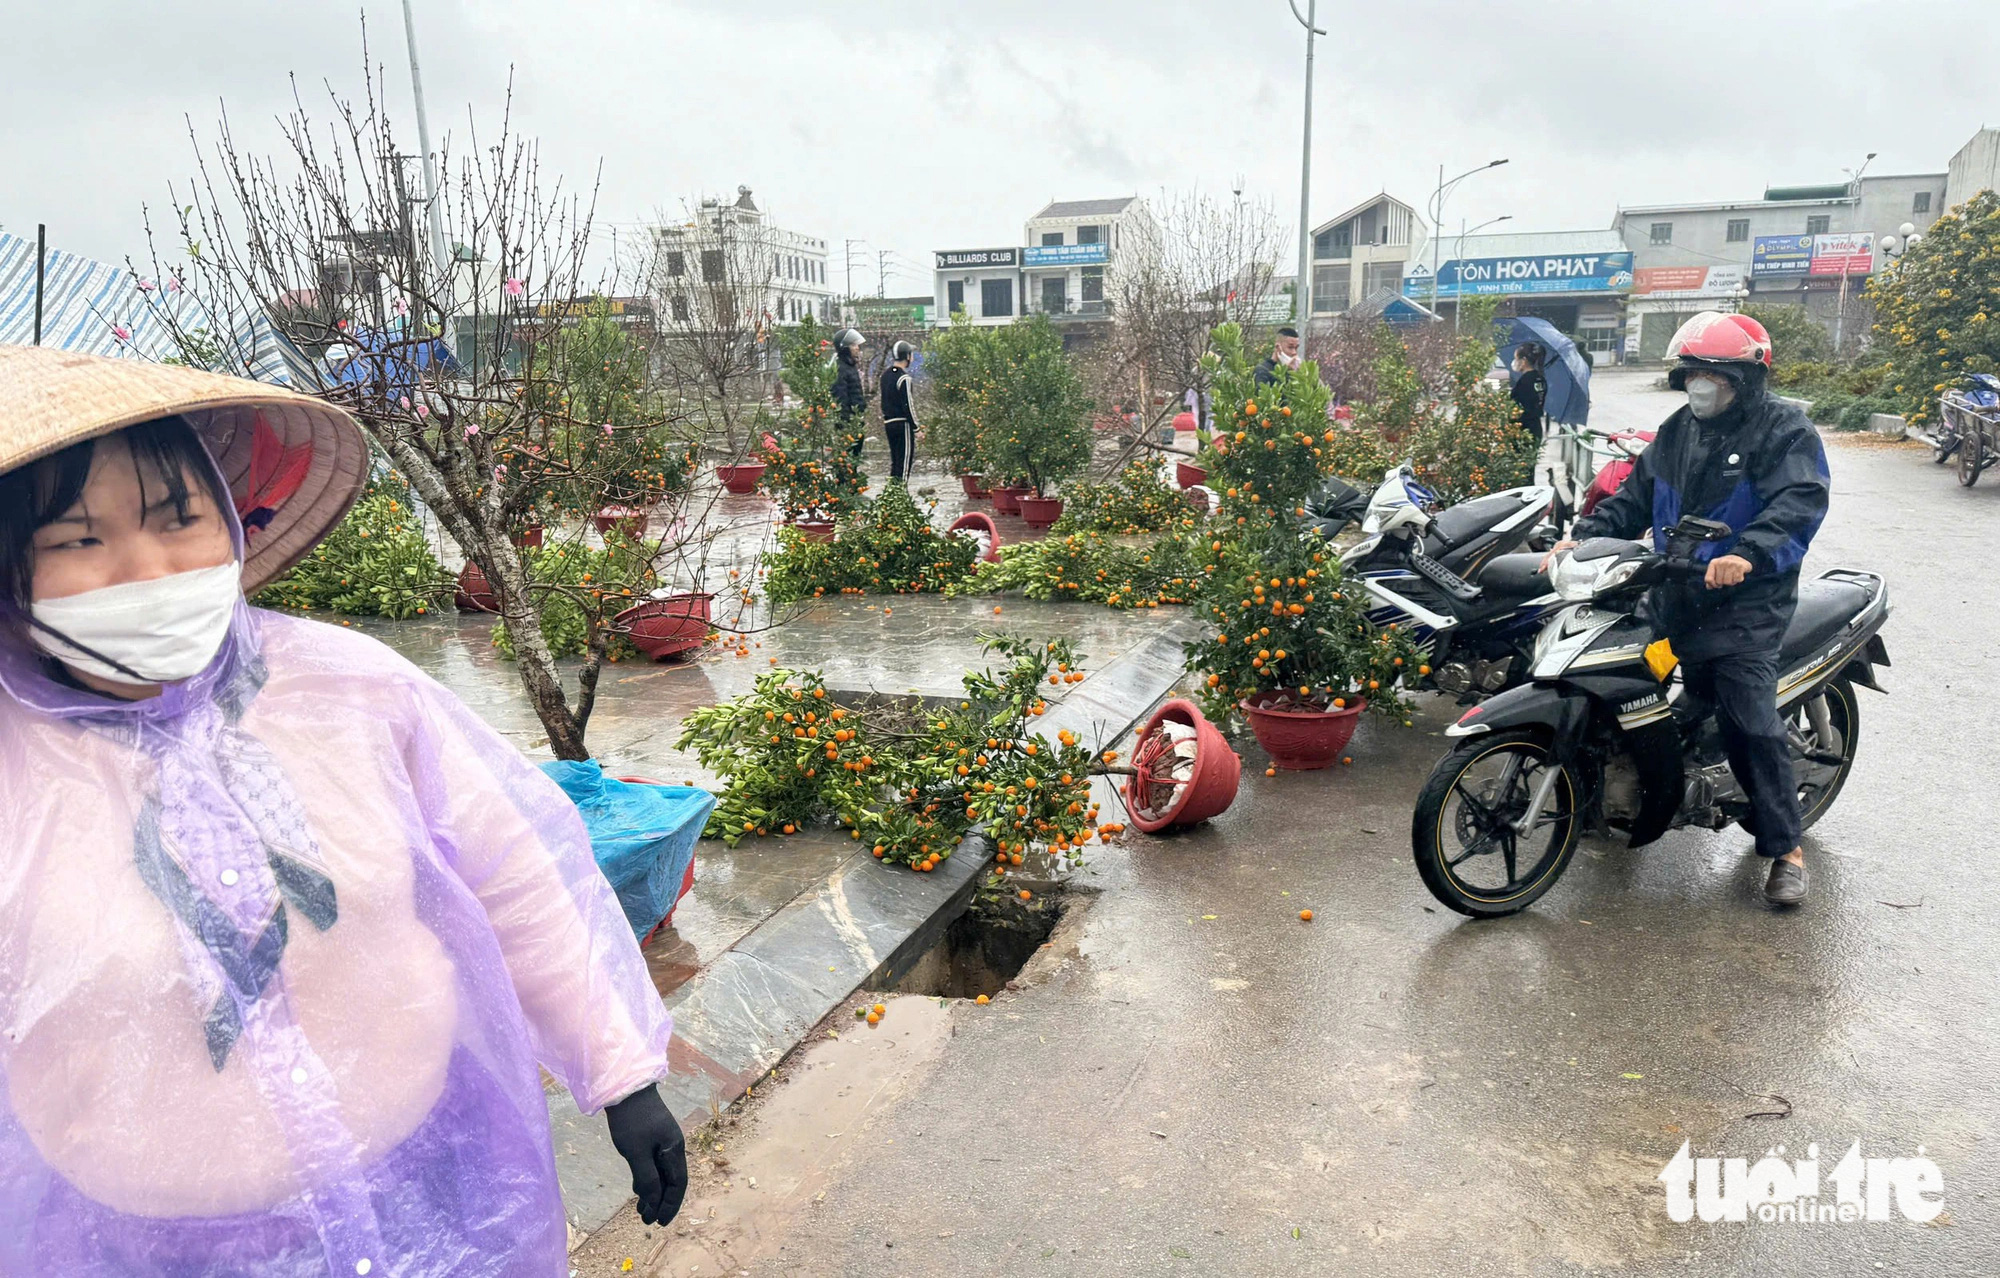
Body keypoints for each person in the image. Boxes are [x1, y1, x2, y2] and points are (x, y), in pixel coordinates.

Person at [0, 347, 687, 1274]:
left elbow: (514, 873)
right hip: (142, 1244)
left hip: (436, 1189)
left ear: (230, 521)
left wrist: (618, 1074)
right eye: (78, 540)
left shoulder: (350, 688)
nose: (147, 569)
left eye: (178, 518)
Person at [1544, 311, 1830, 906]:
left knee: (1749, 721)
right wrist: (1583, 535)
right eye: (1692, 372)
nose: (1699, 384)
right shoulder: (1680, 429)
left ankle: (1785, 848)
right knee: (1612, 677)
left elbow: (1798, 505)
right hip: (1674, 589)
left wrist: (1748, 555)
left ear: (1745, 379)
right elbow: (1633, 496)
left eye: (1713, 375)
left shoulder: (1786, 431)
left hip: (1747, 603)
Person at [878, 340, 919, 483]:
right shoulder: (904, 378)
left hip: (889, 423)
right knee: (904, 463)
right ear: (907, 356)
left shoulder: (885, 376)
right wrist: (916, 427)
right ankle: (901, 496)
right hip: (903, 425)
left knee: (895, 462)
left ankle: (892, 496)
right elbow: (908, 405)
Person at [833, 327, 869, 459]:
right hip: (848, 426)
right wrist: (846, 424)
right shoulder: (840, 368)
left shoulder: (850, 366)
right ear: (844, 348)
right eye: (853, 345)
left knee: (854, 459)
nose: (857, 348)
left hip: (856, 422)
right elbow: (841, 399)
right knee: (847, 460)